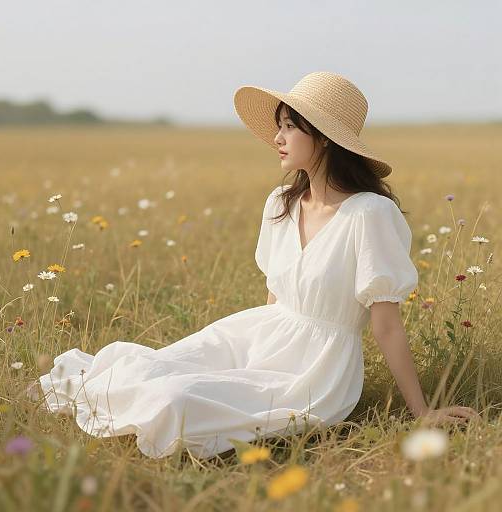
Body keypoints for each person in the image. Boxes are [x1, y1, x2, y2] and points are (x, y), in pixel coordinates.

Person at [37, 72, 479, 460]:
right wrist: (241, 358)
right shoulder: (279, 205)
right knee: (151, 367)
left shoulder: (369, 214)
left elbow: (386, 325)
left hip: (313, 370)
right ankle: (66, 390)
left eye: (290, 127)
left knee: (174, 398)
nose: (278, 138)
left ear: (324, 137)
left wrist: (421, 411)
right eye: (279, 126)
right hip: (259, 332)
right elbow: (274, 296)